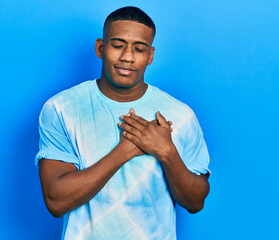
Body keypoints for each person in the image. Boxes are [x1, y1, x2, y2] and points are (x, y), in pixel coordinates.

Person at [35, 6, 210, 240]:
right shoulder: (62, 108)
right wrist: (125, 150)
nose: (127, 57)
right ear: (100, 47)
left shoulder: (180, 114)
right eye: (117, 45)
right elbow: (56, 201)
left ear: (150, 56)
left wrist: (167, 152)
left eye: (139, 49)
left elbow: (195, 202)